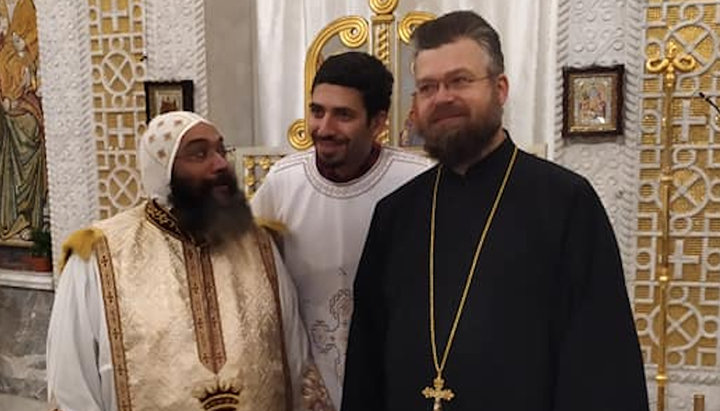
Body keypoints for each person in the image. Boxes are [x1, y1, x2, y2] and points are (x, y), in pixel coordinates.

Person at [342, 11, 648, 411]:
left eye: (460, 81)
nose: (442, 97)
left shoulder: (566, 204)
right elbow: (366, 366)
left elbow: (601, 366)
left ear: (500, 88)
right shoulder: (396, 215)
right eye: (428, 87)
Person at [47, 111, 334, 411]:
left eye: (221, 150)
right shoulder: (99, 255)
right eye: (199, 154)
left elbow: (296, 356)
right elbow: (71, 383)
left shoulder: (259, 244)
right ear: (163, 170)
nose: (221, 163)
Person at [251, 51, 433, 408]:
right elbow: (248, 278)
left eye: (343, 115)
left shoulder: (418, 182)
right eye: (317, 111)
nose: (324, 128)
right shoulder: (283, 183)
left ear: (378, 121)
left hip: (392, 384)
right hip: (306, 388)